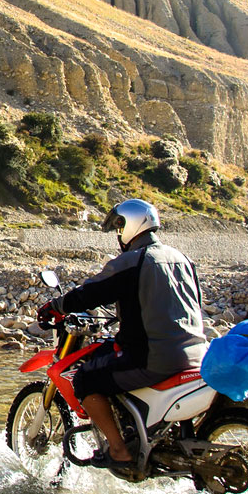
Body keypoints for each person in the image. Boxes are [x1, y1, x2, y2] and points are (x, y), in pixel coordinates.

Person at [37, 199, 208, 468]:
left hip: (155, 358)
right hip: (197, 353)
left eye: (119, 228)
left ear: (129, 225)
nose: (118, 235)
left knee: (87, 378)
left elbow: (92, 292)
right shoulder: (181, 258)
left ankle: (118, 450)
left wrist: (55, 307)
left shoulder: (133, 261)